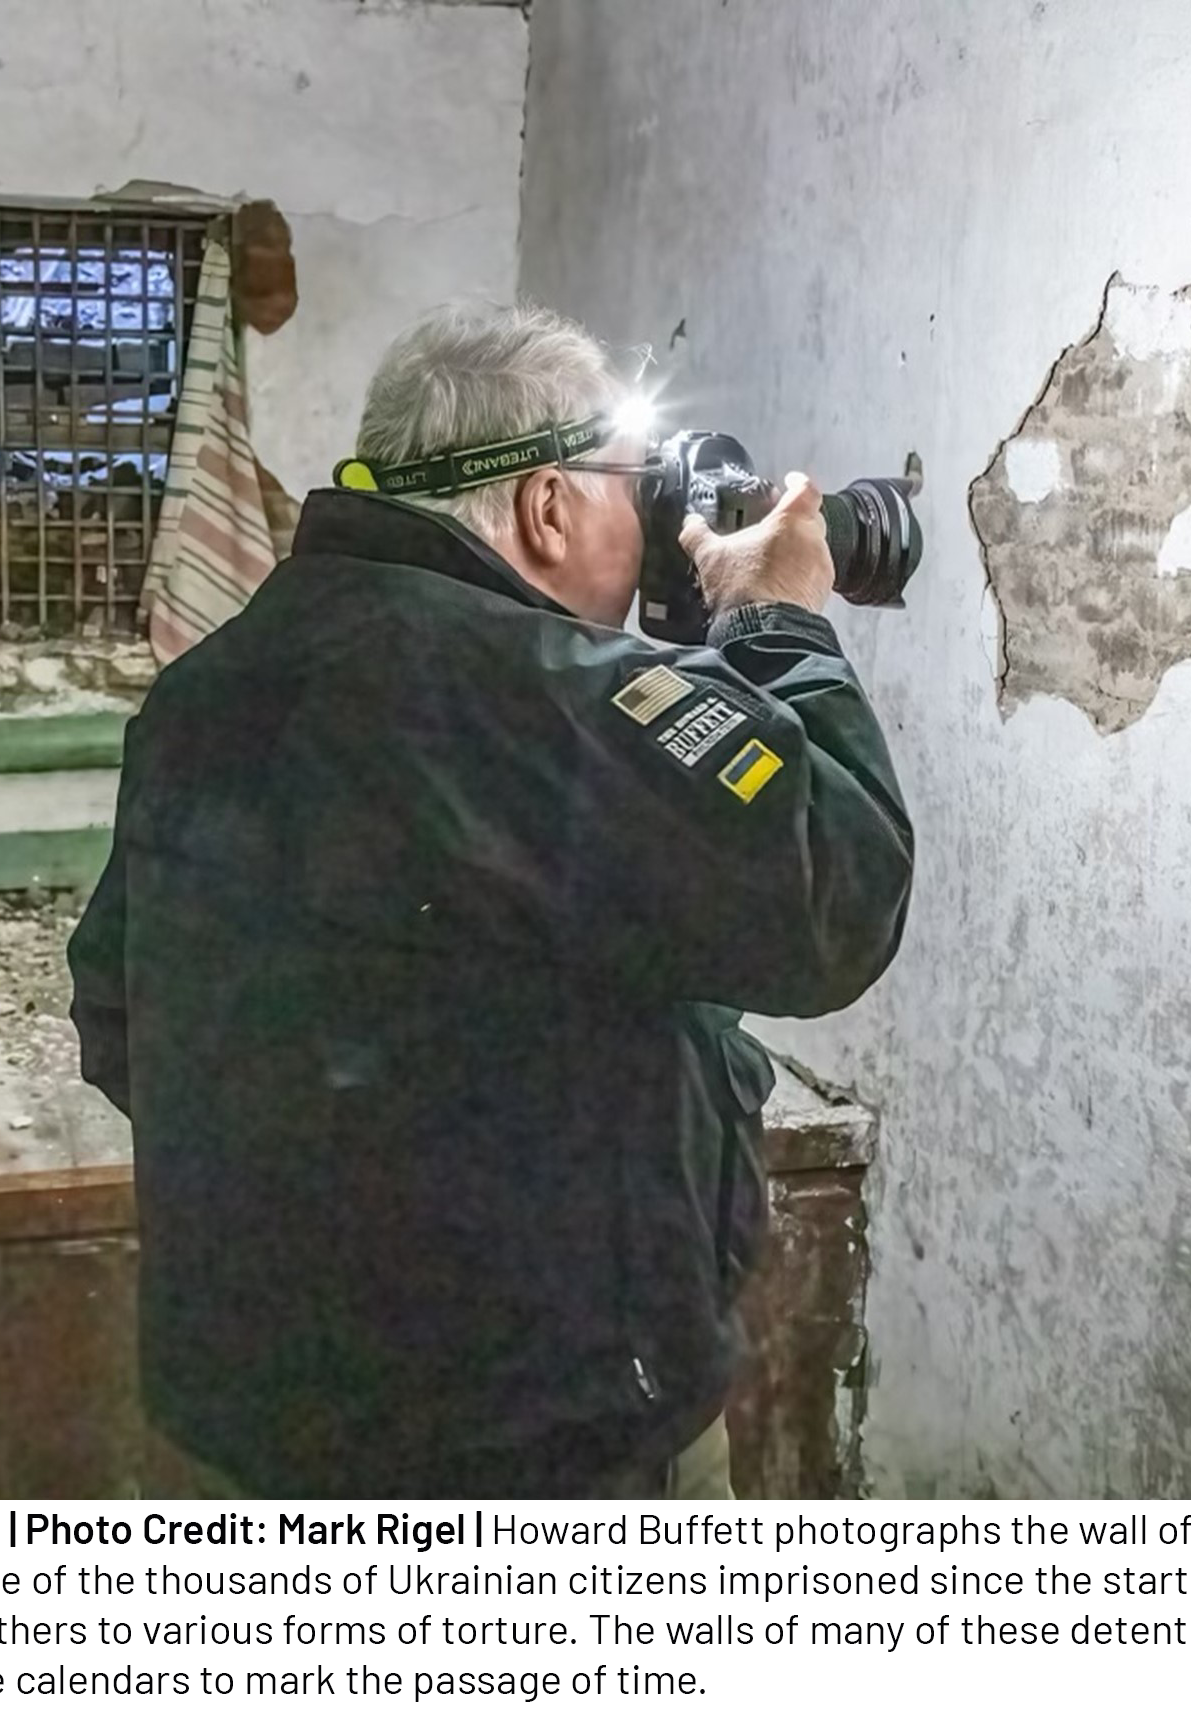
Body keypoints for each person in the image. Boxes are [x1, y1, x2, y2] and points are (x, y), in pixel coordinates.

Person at [68, 301, 912, 1498]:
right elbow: (843, 890)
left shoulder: (212, 687)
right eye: (634, 485)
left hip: (251, 1426)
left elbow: (118, 1013)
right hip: (538, 1445)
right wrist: (776, 617)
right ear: (547, 505)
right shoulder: (545, 696)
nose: (659, 523)